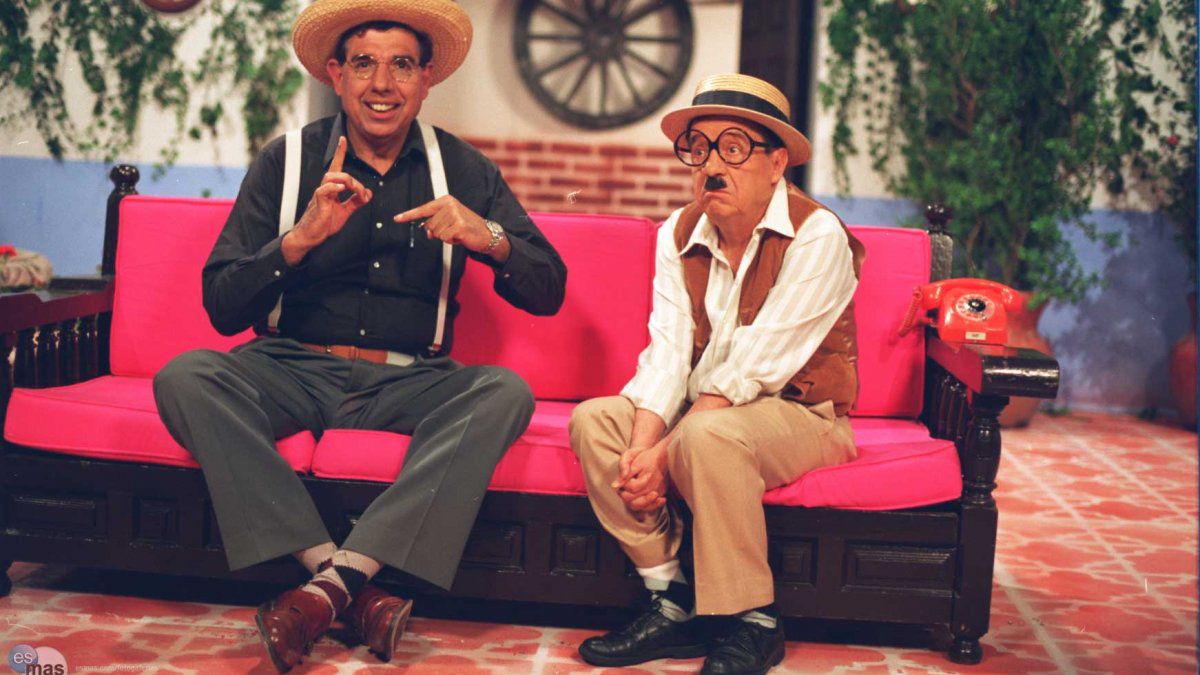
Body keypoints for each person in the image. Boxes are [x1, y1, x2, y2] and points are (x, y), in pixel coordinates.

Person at [152, 0, 566, 671]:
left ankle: (321, 590)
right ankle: (350, 586)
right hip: (289, 367)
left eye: (401, 66)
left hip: (410, 380)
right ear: (336, 74)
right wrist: (298, 240)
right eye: (364, 64)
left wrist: (486, 236)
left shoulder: (464, 170)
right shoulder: (287, 161)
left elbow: (548, 288)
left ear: (426, 79)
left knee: (504, 392)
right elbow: (222, 305)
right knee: (187, 377)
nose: (382, 84)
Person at [569, 74, 864, 674]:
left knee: (708, 435)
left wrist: (663, 454)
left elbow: (758, 364)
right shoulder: (677, 233)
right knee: (595, 422)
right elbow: (668, 351)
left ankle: (755, 620)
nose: (711, 167)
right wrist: (644, 447)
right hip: (708, 413)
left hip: (801, 413)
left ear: (776, 162)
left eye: (733, 148)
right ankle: (671, 597)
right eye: (699, 149)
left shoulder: (817, 234)